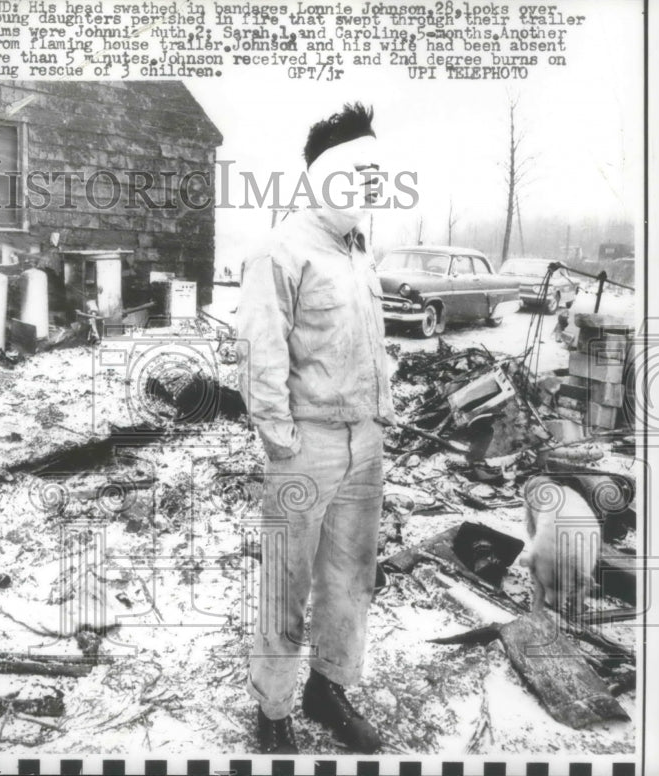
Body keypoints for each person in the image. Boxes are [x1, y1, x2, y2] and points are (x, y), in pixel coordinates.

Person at [236, 103, 394, 755]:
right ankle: (272, 710)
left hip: (365, 445)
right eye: (364, 169)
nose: (377, 183)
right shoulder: (282, 249)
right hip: (307, 446)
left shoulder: (359, 254)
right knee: (287, 582)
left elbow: (367, 346)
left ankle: (328, 688)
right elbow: (259, 353)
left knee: (350, 579)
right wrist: (282, 442)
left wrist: (383, 413)